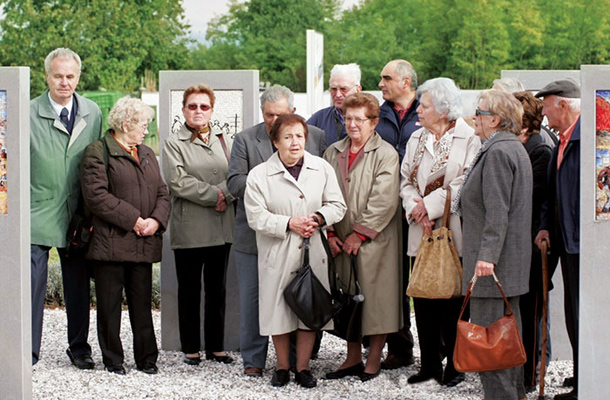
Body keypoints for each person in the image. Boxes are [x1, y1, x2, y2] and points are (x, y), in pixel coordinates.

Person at [227, 85, 327, 378]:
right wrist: (269, 190)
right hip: (254, 234)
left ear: (293, 112)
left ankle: (299, 362)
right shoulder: (245, 139)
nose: (274, 120)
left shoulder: (315, 137)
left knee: (303, 294)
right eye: (269, 114)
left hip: (303, 237)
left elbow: (322, 180)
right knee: (255, 300)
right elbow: (234, 182)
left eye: (280, 114)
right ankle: (254, 360)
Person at [244, 114, 346, 388]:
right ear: (275, 141)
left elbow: (337, 205)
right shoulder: (259, 175)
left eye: (299, 136)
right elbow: (256, 217)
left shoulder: (322, 168)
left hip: (312, 250)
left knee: (309, 307)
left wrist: (317, 218)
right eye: (287, 137)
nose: (294, 142)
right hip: (277, 251)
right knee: (278, 309)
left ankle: (303, 367)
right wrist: (288, 223)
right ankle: (281, 366)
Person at [80, 97, 170, 375]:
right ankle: (113, 360)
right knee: (109, 307)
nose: (146, 130)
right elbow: (97, 196)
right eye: (142, 124)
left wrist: (156, 220)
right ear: (125, 123)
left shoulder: (145, 153)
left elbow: (162, 192)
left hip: (143, 243)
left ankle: (147, 359)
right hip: (110, 244)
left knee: (142, 306)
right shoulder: (97, 152)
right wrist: (134, 220)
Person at [400, 78, 480, 387]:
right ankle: (429, 364)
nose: (418, 109)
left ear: (444, 109)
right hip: (421, 232)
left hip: (453, 232)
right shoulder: (416, 138)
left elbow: (465, 183)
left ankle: (456, 365)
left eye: (424, 105)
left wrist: (428, 206)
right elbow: (404, 180)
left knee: (453, 300)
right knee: (423, 297)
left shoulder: (470, 138)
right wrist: (414, 207)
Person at [457, 89, 532, 400]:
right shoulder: (509, 148)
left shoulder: (499, 153)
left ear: (495, 119)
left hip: (493, 267)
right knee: (506, 342)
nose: (475, 116)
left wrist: (486, 257)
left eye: (479, 111)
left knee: (492, 348)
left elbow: (497, 212)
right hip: (506, 265)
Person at [30, 47, 103, 367]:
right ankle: (27, 349)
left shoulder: (92, 112)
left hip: (78, 214)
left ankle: (79, 348)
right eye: (58, 76)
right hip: (36, 211)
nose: (64, 82)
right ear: (46, 76)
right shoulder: (26, 112)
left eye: (70, 76)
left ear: (78, 77)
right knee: (31, 284)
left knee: (77, 284)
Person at [323, 92, 402, 382]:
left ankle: (373, 360)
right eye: (348, 118)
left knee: (376, 298)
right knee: (347, 297)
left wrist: (360, 234)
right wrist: (330, 232)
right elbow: (323, 192)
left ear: (374, 122)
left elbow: (384, 199)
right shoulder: (333, 152)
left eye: (359, 119)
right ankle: (352, 357)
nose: (352, 124)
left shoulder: (386, 154)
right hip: (341, 239)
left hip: (375, 240)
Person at [162, 85, 235, 366]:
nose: (198, 111)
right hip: (190, 228)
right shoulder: (173, 143)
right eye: (192, 106)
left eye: (204, 107)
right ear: (183, 110)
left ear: (212, 111)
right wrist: (215, 195)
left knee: (217, 291)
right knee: (190, 291)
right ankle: (191, 347)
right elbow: (178, 182)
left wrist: (225, 194)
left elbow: (237, 173)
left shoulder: (224, 139)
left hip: (221, 226)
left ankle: (216, 347)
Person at [534, 79, 581, 400]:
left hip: (582, 244)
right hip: (564, 240)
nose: (543, 112)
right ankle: (582, 373)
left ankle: (587, 381)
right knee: (571, 311)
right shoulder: (562, 142)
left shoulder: (592, 141)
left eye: (547, 105)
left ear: (563, 105)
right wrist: (545, 226)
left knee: (582, 312)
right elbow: (552, 194)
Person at [376, 59, 420, 369]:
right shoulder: (377, 116)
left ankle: (439, 350)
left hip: (421, 214)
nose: (380, 84)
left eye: (386, 78)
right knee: (392, 283)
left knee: (430, 279)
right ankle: (400, 348)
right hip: (387, 213)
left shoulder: (429, 110)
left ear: (405, 82)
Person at [513, 91, 557, 392]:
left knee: (533, 310)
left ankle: (531, 375)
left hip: (532, 242)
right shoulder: (522, 145)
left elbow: (537, 197)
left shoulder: (539, 149)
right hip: (521, 240)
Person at [308, 63, 362, 145]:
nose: (338, 95)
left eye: (344, 89)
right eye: (333, 89)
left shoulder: (371, 119)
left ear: (358, 89)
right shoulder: (319, 119)